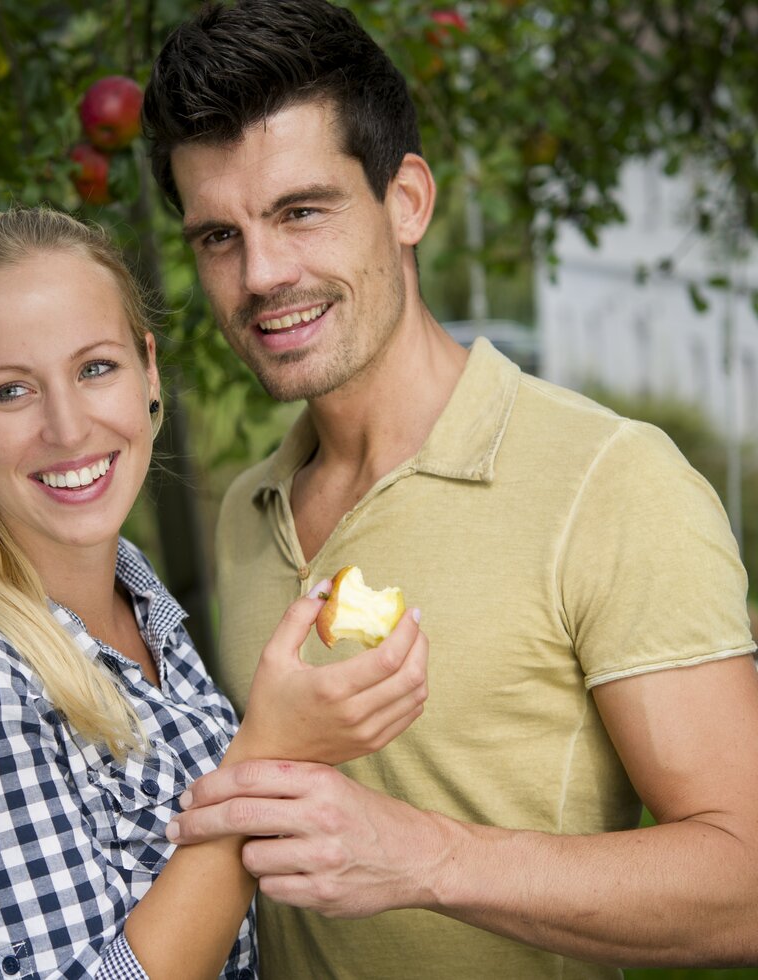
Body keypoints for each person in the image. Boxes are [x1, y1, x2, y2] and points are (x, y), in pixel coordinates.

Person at [141, 1, 758, 977]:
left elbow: (747, 880)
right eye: (219, 236)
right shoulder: (245, 512)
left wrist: (427, 857)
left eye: (301, 210)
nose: (261, 274)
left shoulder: (611, 481)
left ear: (408, 201)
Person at [0, 206, 430, 980]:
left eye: (95, 369)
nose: (67, 428)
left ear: (148, 371)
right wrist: (273, 750)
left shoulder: (140, 609)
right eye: (10, 392)